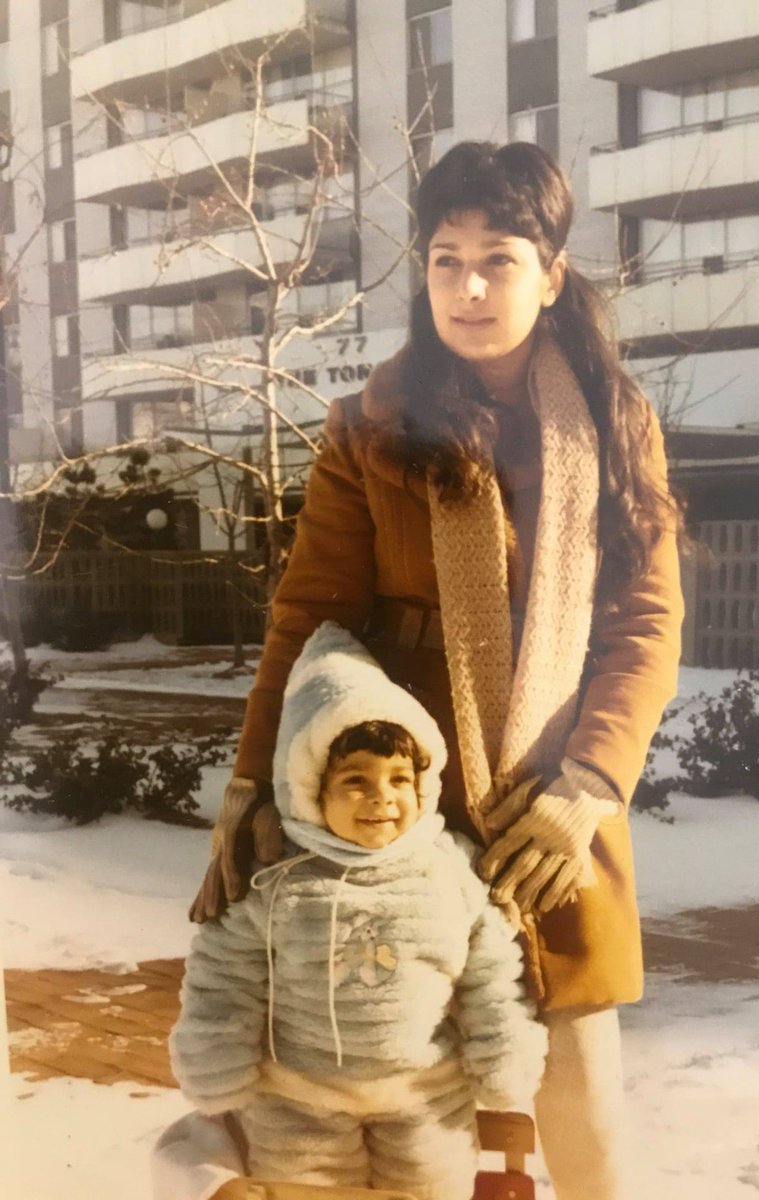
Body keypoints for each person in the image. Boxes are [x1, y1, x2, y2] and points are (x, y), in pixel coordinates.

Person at [190, 140, 684, 1200]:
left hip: (552, 788)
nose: (467, 285)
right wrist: (250, 785)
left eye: (498, 259)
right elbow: (310, 618)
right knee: (395, 1064)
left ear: (551, 275)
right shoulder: (371, 426)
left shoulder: (613, 421)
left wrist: (587, 788)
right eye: (444, 257)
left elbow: (645, 623)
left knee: (573, 1059)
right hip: (397, 780)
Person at [167, 622, 547, 1200]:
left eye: (400, 778)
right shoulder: (277, 877)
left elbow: (490, 971)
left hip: (426, 1096)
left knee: (430, 1194)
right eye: (355, 780)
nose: (381, 797)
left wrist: (502, 1050)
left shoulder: (449, 870)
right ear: (310, 785)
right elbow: (225, 970)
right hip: (301, 1098)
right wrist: (217, 1053)